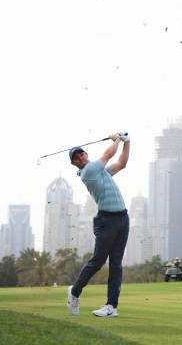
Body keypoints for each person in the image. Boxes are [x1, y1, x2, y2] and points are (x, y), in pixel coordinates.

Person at [66, 133, 131, 317]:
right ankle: (74, 292)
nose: (80, 157)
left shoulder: (100, 171)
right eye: (76, 158)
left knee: (116, 264)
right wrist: (117, 138)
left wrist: (127, 142)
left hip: (122, 218)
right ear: (75, 164)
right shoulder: (89, 172)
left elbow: (121, 163)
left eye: (81, 154)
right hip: (107, 220)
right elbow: (109, 154)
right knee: (98, 261)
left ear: (86, 154)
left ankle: (111, 306)